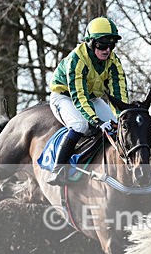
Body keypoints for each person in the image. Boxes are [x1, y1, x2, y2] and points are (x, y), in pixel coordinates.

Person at [46, 16, 128, 186]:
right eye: (102, 45)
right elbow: (79, 96)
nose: (107, 50)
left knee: (119, 125)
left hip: (92, 97)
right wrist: (96, 121)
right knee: (80, 125)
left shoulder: (113, 62)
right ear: (90, 43)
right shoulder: (77, 59)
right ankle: (58, 169)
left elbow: (118, 93)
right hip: (64, 97)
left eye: (111, 45)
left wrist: (123, 116)